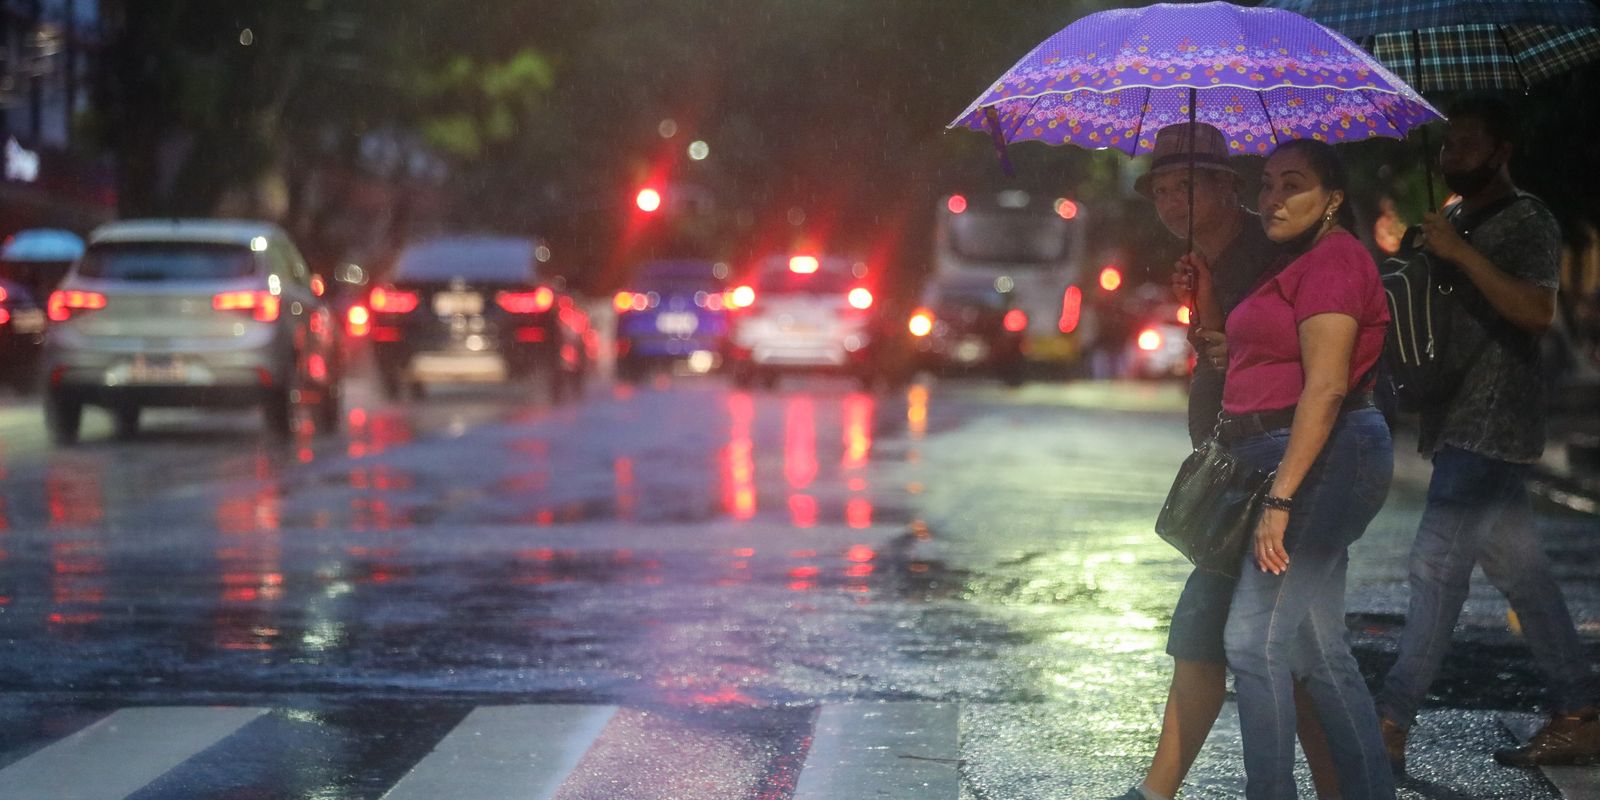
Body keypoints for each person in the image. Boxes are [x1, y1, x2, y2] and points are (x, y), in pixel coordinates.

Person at [1108, 123, 1337, 800]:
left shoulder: (1272, 252)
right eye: (1161, 191)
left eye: (1185, 187)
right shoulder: (1213, 259)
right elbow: (1223, 356)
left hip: (1276, 465)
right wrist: (1206, 308)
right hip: (1240, 461)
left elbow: (1291, 358)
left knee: (1280, 652)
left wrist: (1221, 337)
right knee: (1226, 638)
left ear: (1224, 187)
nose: (1170, 203)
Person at [1374, 94, 1600, 772]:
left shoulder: (1529, 218)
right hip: (1455, 419)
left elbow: (1537, 309)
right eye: (1448, 144)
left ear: (1502, 152)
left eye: (1467, 144)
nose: (1452, 155)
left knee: (1434, 570)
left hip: (1492, 421)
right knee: (1524, 576)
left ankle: (1388, 724)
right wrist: (1427, 252)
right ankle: (1579, 713)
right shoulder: (1452, 219)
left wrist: (1461, 255)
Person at [1217, 138, 1396, 799]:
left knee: (1251, 641)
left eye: (1292, 184)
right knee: (1317, 650)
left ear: (1333, 199)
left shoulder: (1335, 260)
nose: (1272, 198)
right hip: (1300, 455)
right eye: (1266, 183)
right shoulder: (1298, 260)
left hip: (1323, 458)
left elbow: (1325, 388)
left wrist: (1281, 499)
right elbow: (1283, 356)